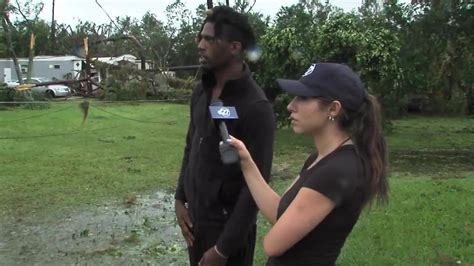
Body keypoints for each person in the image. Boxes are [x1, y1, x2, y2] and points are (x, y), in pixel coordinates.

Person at [228, 63, 389, 265]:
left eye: (303, 98)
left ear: (333, 108)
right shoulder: (319, 158)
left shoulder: (337, 170)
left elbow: (272, 244)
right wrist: (247, 162)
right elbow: (281, 213)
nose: (290, 106)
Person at [174, 6, 275, 266]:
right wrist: (180, 198)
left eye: (210, 39)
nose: (200, 45)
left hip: (229, 232)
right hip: (197, 222)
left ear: (234, 47)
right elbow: (190, 146)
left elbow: (256, 186)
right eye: (200, 37)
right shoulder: (201, 92)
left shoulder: (256, 107)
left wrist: (223, 249)